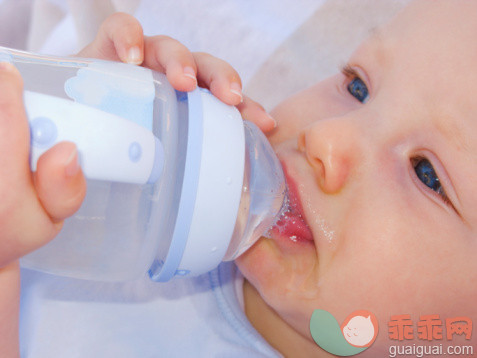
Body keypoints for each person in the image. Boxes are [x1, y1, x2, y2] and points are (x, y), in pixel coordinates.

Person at [5, 0, 477, 356]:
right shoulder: (150, 217)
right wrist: (86, 112)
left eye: (426, 174)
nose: (327, 138)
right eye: (358, 86)